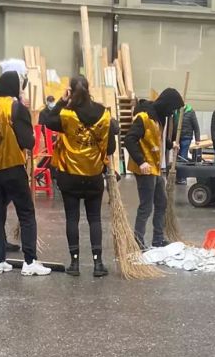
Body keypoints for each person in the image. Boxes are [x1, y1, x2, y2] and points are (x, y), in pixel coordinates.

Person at [0, 71, 50, 276]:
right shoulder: (15, 107)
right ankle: (29, 261)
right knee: (26, 212)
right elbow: (28, 142)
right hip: (12, 165)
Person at [42, 75, 118, 277]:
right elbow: (110, 146)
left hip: (70, 175)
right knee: (94, 219)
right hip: (93, 175)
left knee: (72, 218)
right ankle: (98, 263)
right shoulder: (104, 114)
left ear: (70, 91)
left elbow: (46, 120)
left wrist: (61, 101)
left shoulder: (66, 114)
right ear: (89, 88)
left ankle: (74, 263)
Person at [125, 88, 185, 249]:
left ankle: (158, 238)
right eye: (172, 108)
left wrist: (171, 144)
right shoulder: (143, 117)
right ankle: (138, 242)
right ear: (166, 104)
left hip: (156, 168)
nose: (172, 113)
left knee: (162, 203)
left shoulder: (160, 117)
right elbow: (129, 139)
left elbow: (158, 137)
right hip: (144, 169)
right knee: (146, 206)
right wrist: (141, 161)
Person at [176, 102, 201, 182]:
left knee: (183, 156)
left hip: (186, 137)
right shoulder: (176, 112)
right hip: (177, 138)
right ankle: (178, 177)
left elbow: (196, 126)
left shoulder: (190, 112)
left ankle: (183, 178)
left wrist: (197, 139)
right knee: (178, 157)